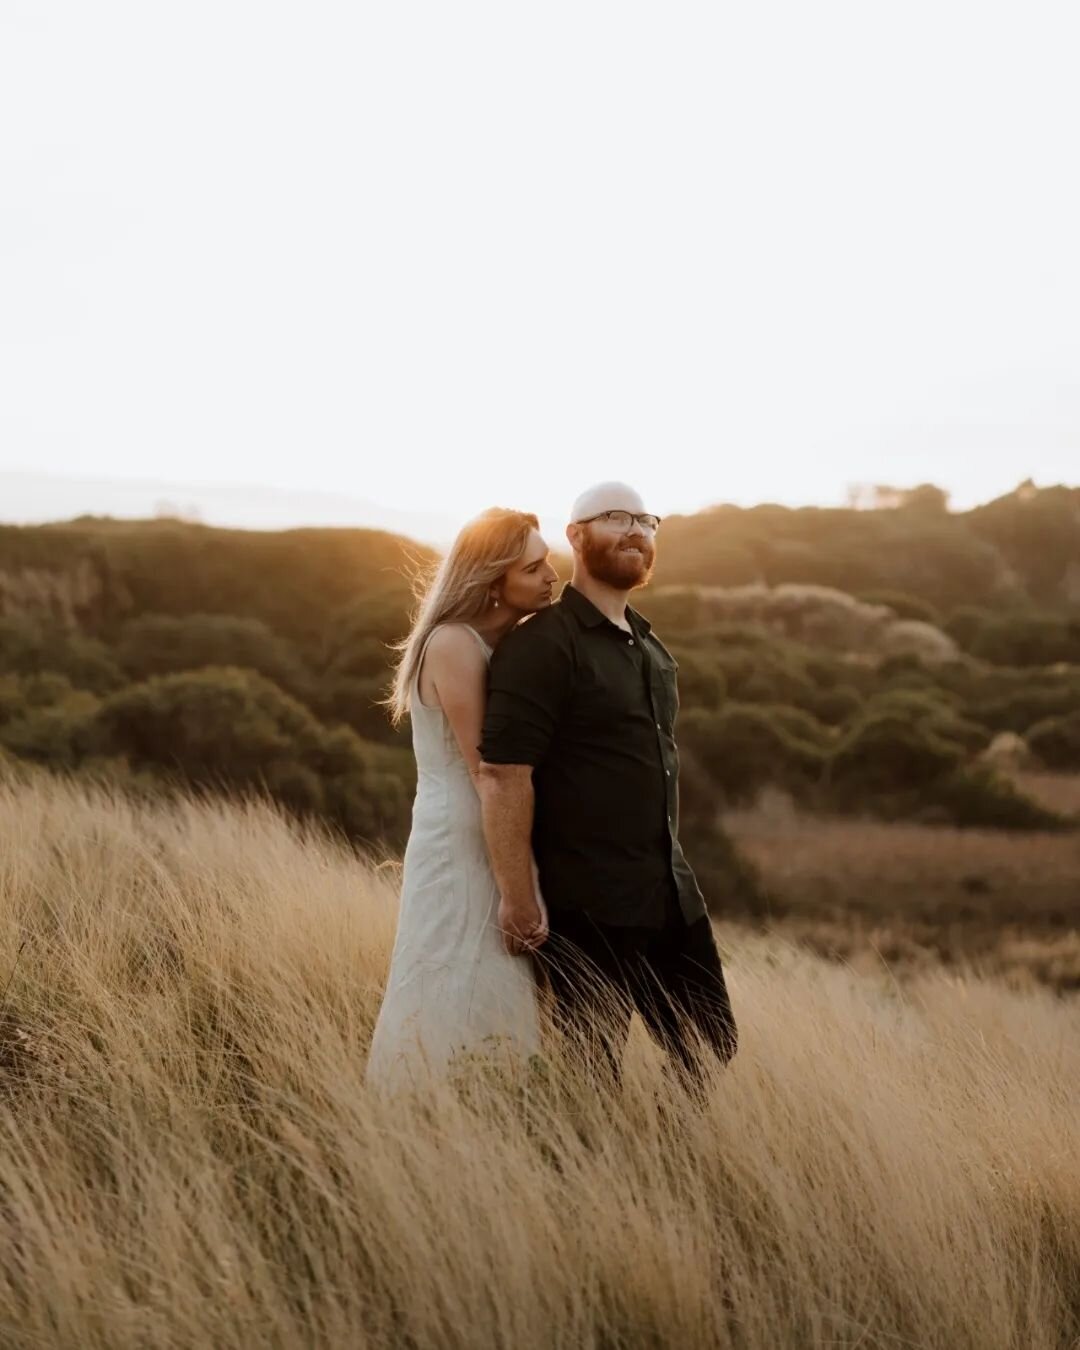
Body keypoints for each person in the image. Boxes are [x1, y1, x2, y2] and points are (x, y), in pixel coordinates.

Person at [477, 482, 738, 1096]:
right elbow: (504, 774)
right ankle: (586, 1181)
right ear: (575, 535)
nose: (636, 532)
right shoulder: (542, 644)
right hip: (586, 901)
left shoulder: (652, 648)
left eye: (647, 522)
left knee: (710, 1043)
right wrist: (517, 896)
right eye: (615, 518)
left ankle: (662, 1170)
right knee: (590, 1068)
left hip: (667, 891)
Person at [364, 508, 558, 1095]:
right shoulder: (453, 644)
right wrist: (519, 887)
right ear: (494, 580)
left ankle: (493, 1107)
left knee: (494, 977)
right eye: (535, 566)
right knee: (457, 968)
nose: (552, 574)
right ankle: (435, 1106)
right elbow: (487, 772)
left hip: (486, 830)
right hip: (463, 838)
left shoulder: (500, 643)